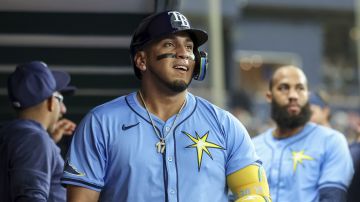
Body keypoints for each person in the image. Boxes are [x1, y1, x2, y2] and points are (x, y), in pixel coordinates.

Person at [61, 10, 271, 202]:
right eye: (169, 44)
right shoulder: (101, 123)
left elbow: (254, 193)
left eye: (189, 47)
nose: (184, 53)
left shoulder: (226, 125)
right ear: (142, 60)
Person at [252, 65, 354, 202]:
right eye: (283, 88)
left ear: (307, 95)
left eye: (300, 88)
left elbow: (332, 197)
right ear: (269, 96)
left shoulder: (331, 141)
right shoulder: (252, 148)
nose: (293, 95)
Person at [0, 61, 73, 201]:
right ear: (51, 102)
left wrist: (48, 142)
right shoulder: (34, 139)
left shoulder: (9, 134)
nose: (63, 109)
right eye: (60, 99)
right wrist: (42, 142)